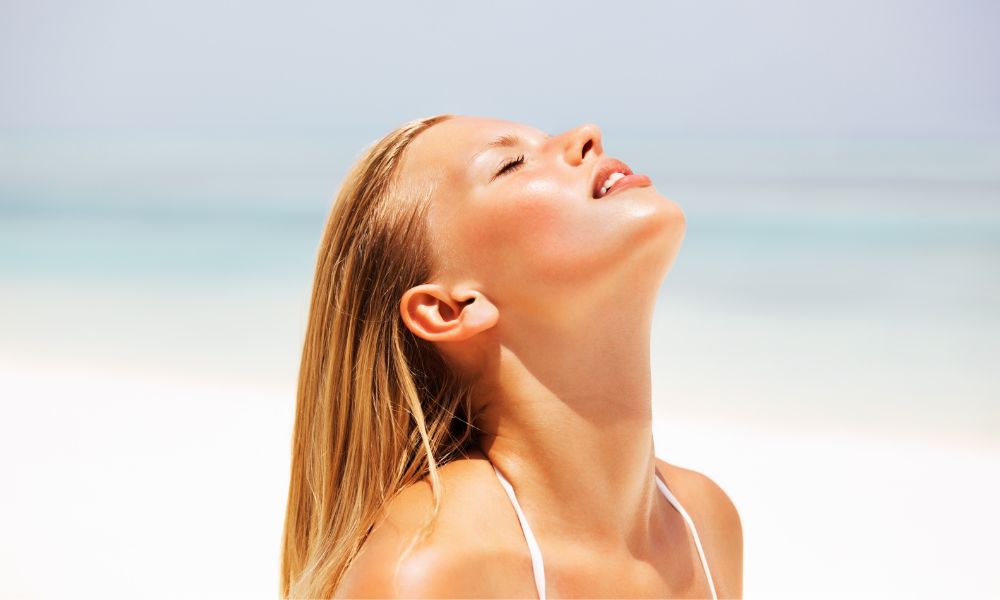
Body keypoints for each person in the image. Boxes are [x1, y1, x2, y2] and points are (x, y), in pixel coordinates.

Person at [280, 114, 743, 599]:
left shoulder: (704, 523)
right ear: (448, 309)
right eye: (511, 164)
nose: (586, 134)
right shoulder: (428, 572)